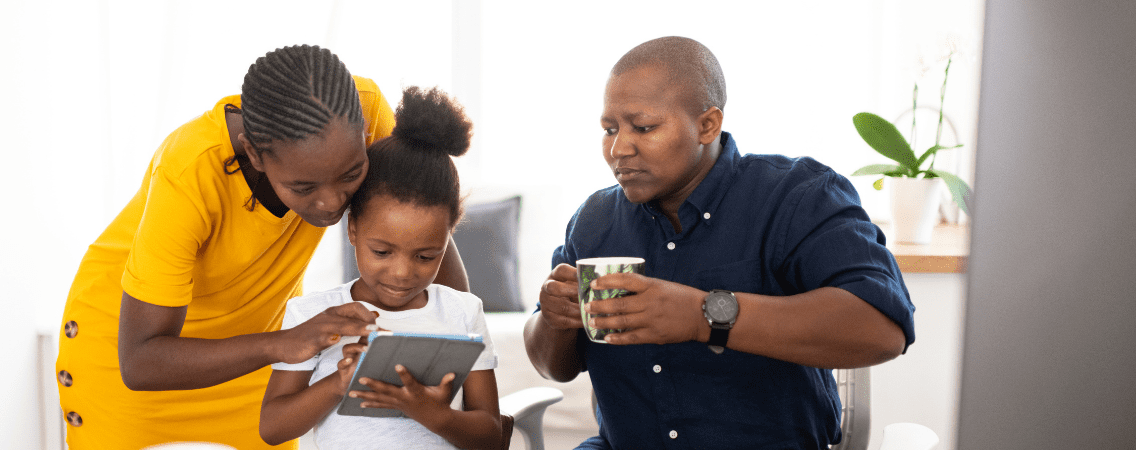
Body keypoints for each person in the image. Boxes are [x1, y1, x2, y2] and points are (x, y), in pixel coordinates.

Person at [55, 45, 470, 449]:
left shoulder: (362, 111)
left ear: (363, 132)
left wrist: (445, 344)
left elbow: (427, 224)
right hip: (140, 369)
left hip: (258, 364)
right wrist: (283, 342)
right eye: (303, 187)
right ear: (254, 154)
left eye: (351, 173)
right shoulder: (189, 171)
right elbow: (140, 361)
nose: (332, 203)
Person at [524, 36, 916, 450]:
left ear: (707, 125)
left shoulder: (796, 196)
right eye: (609, 130)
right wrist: (554, 319)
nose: (618, 148)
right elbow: (554, 367)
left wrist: (703, 315)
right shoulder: (595, 221)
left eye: (643, 127)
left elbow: (881, 327)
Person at [260, 86, 503, 450]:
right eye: (382, 252)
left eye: (426, 256)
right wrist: (339, 383)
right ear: (353, 229)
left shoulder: (462, 312)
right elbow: (273, 427)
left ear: (448, 239)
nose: (403, 273)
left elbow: (490, 436)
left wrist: (430, 412)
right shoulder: (313, 315)